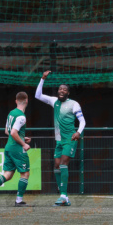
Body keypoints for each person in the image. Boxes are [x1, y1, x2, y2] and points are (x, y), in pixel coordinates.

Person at [35, 70, 86, 206]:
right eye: (60, 89)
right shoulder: (54, 101)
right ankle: (65, 196)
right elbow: (37, 95)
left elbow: (83, 121)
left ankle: (63, 195)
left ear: (68, 93)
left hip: (70, 139)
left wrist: (78, 133)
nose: (61, 90)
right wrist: (43, 79)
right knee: (56, 166)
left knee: (63, 164)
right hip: (59, 140)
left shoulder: (74, 104)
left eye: (64, 89)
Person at [0, 92, 33, 207]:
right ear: (27, 101)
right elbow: (13, 132)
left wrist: (22, 137)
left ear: (16, 101)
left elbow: (7, 131)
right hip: (17, 149)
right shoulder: (21, 116)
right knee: (25, 174)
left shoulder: (11, 113)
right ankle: (19, 201)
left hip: (9, 147)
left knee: (8, 174)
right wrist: (23, 143)